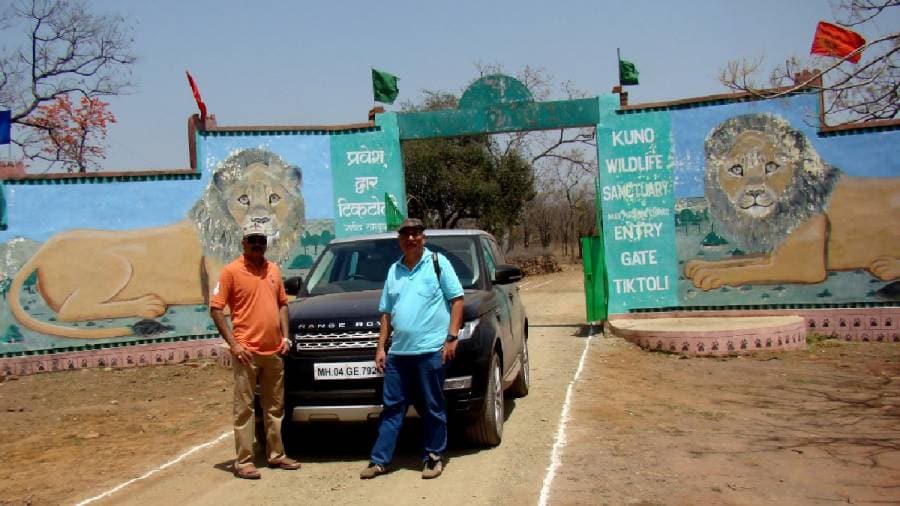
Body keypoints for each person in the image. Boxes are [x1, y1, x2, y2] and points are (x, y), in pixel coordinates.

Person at [360, 218, 464, 480]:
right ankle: (379, 460)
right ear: (400, 240)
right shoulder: (394, 270)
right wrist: (381, 347)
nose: (411, 239)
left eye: (416, 234)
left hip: (430, 351)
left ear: (423, 238)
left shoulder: (438, 264)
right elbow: (386, 312)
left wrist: (452, 338)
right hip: (398, 355)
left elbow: (457, 300)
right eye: (406, 234)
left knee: (432, 406)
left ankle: (433, 457)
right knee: (392, 408)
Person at [210, 220, 301, 480]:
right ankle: (244, 461)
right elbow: (216, 308)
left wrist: (286, 337)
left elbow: (283, 304)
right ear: (244, 244)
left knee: (274, 408)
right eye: (253, 241)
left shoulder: (273, 270)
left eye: (262, 241)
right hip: (246, 352)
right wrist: (234, 344)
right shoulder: (231, 272)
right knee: (245, 409)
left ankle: (276, 455)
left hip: (274, 352)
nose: (258, 245)